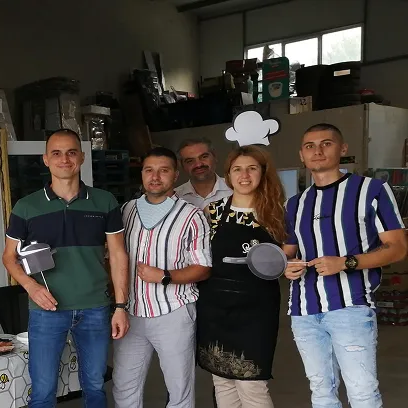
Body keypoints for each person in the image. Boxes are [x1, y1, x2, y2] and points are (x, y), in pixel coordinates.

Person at [283, 123, 407, 408]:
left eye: (326, 143)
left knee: (362, 392)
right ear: (301, 155)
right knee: (321, 391)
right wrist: (286, 266)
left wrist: (347, 262)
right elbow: (288, 252)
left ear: (343, 149)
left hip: (350, 306)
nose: (317, 151)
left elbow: (398, 248)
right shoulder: (295, 204)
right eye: (309, 146)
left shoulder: (371, 190)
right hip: (303, 310)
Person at [2, 129, 129, 408]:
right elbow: (9, 257)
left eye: (71, 152)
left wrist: (120, 306)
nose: (64, 159)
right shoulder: (26, 207)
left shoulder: (104, 201)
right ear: (46, 159)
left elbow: (118, 255)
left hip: (95, 307)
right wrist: (31, 286)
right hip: (47, 311)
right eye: (56, 153)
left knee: (95, 386)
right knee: (43, 391)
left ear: (82, 157)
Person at [113, 146, 211, 408]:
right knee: (124, 385)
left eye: (163, 171)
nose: (155, 177)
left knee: (179, 388)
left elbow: (203, 268)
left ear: (176, 175)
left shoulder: (191, 215)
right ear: (142, 174)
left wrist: (165, 276)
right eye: (149, 170)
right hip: (131, 312)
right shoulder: (126, 211)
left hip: (173, 312)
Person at [196, 146, 285, 408]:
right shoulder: (211, 212)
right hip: (215, 307)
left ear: (263, 173)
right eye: (237, 169)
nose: (244, 175)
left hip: (256, 310)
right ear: (228, 175)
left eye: (252, 168)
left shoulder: (277, 213)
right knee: (222, 380)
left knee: (252, 383)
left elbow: (288, 257)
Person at [174, 138, 233, 209]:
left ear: (215, 157)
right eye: (190, 161)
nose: (198, 164)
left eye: (204, 157)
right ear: (181, 165)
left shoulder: (235, 189)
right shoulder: (175, 198)